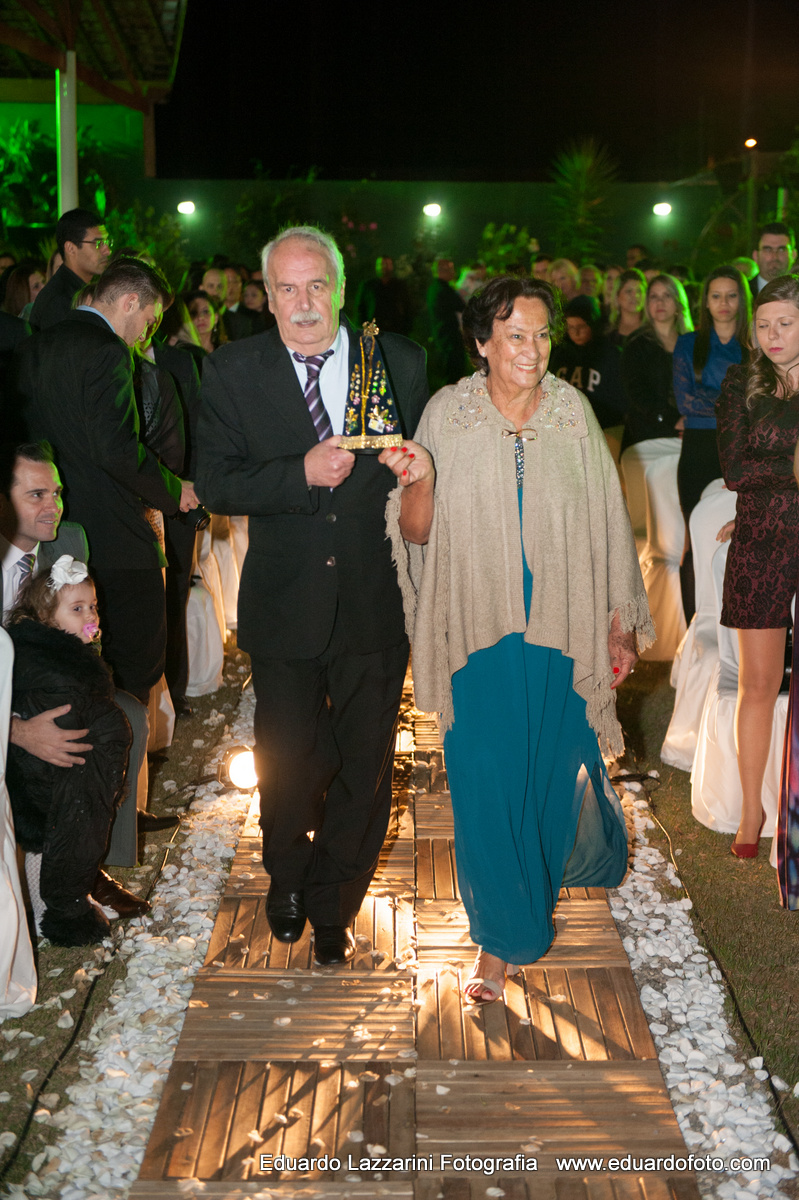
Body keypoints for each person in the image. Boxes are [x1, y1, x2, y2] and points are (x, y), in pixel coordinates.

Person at [382, 276, 652, 1001]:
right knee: (483, 779)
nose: (531, 351)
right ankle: (499, 944)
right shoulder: (449, 413)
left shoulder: (571, 412)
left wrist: (617, 623)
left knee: (542, 772)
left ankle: (519, 910)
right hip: (478, 629)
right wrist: (417, 479)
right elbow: (417, 531)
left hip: (562, 624)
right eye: (513, 336)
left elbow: (606, 522)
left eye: (540, 335)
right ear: (481, 342)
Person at [196, 224, 428, 966]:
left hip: (373, 597)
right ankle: (287, 876)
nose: (303, 302)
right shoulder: (234, 371)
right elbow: (218, 480)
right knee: (289, 758)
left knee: (364, 765)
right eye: (287, 288)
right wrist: (297, 473)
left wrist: (417, 466)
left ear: (340, 288)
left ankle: (334, 901)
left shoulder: (396, 360)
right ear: (266, 297)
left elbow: (429, 468)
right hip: (284, 599)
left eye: (316, 285)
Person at [13, 258, 198, 707]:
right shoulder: (108, 350)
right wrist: (175, 491)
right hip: (114, 533)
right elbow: (117, 449)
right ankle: (125, 769)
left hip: (51, 527)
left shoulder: (36, 345)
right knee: (139, 664)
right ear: (130, 301)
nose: (146, 335)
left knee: (69, 663)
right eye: (149, 321)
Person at [6, 557, 132, 945]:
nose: (90, 616)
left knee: (51, 842)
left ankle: (59, 903)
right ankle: (53, 912)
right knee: (51, 842)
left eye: (93, 607)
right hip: (47, 776)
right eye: (77, 610)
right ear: (47, 621)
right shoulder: (59, 670)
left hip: (53, 775)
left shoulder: (64, 658)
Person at [718, 276, 799, 858]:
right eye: (763, 323)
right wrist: (792, 465)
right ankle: (752, 810)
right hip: (761, 544)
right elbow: (736, 473)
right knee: (757, 686)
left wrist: (772, 460)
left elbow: (755, 464)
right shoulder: (739, 382)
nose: (771, 335)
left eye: (785, 323)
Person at [673, 266, 750, 620]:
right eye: (716, 295)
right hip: (699, 449)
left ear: (742, 299)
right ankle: (695, 628)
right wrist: (736, 402)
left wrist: (713, 400)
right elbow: (684, 401)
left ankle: (738, 625)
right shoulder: (688, 343)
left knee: (744, 540)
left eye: (731, 295)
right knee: (695, 540)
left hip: (743, 449)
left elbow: (759, 399)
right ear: (705, 301)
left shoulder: (753, 344)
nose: (724, 303)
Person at [621, 273, 693, 452]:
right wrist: (671, 420)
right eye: (654, 297)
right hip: (647, 434)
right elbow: (637, 392)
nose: (660, 303)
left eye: (666, 296)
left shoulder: (692, 343)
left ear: (678, 302)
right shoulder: (636, 344)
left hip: (690, 432)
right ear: (647, 305)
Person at [29, 209, 111, 331]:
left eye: (107, 242)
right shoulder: (59, 300)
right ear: (70, 248)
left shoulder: (80, 289)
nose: (107, 251)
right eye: (98, 243)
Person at [427, 258, 468, 388]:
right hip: (450, 339)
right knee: (453, 378)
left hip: (441, 336)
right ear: (443, 271)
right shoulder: (444, 290)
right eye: (451, 269)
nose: (453, 272)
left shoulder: (434, 288)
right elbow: (462, 306)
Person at [355, 256, 412, 335]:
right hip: (374, 330)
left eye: (387, 264)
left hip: (396, 330)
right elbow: (360, 308)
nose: (384, 267)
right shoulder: (368, 286)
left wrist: (406, 328)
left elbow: (408, 308)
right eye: (381, 264)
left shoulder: (400, 286)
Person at [751, 223, 796, 297]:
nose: (774, 257)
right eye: (768, 249)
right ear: (756, 256)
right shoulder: (741, 293)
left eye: (781, 249)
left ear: (793, 255)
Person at [606, 268, 645, 348]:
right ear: (617, 296)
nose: (635, 296)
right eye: (629, 291)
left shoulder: (653, 331)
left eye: (639, 291)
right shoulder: (607, 332)